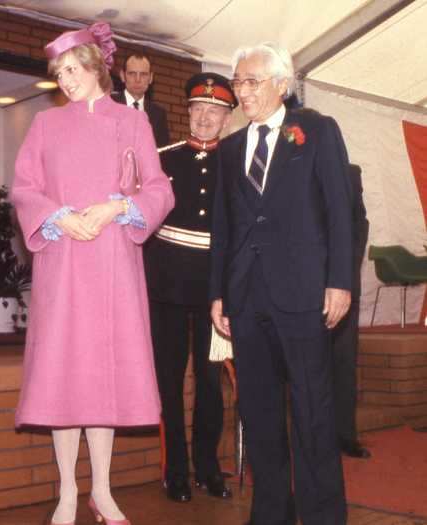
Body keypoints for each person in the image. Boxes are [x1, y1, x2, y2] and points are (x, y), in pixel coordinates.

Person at [10, 22, 174, 525]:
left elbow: (161, 189)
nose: (65, 80)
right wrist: (58, 216)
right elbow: (22, 188)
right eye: (58, 73)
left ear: (97, 67)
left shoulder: (132, 122)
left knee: (102, 380)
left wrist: (118, 209)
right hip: (63, 262)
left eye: (73, 69)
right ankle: (66, 493)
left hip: (112, 265)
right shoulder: (44, 125)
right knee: (64, 378)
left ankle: (102, 493)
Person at [209, 42, 353, 525]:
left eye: (251, 82)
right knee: (260, 412)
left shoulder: (316, 130)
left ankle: (322, 516)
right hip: (247, 299)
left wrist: (340, 281)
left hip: (304, 295)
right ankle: (270, 513)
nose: (242, 92)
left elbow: (340, 210)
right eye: (238, 82)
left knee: (313, 412)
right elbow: (223, 231)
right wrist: (218, 293)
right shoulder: (230, 149)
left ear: (281, 85)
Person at [145, 72, 235, 503]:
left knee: (210, 381)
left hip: (214, 291)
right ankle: (175, 470)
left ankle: (208, 467)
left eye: (214, 112)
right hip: (165, 285)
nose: (204, 119)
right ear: (188, 112)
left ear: (226, 117)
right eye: (198, 110)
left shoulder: (235, 164)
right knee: (168, 378)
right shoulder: (162, 158)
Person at [333, 163, 370, 459]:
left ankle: (346, 435)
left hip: (344, 287)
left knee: (344, 364)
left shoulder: (349, 173)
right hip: (302, 291)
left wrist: (345, 275)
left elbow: (360, 225)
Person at [112, 53, 170, 147]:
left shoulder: (159, 114)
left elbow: (162, 153)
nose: (138, 79)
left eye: (143, 74)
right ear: (122, 76)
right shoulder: (110, 104)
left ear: (150, 78)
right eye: (132, 74)